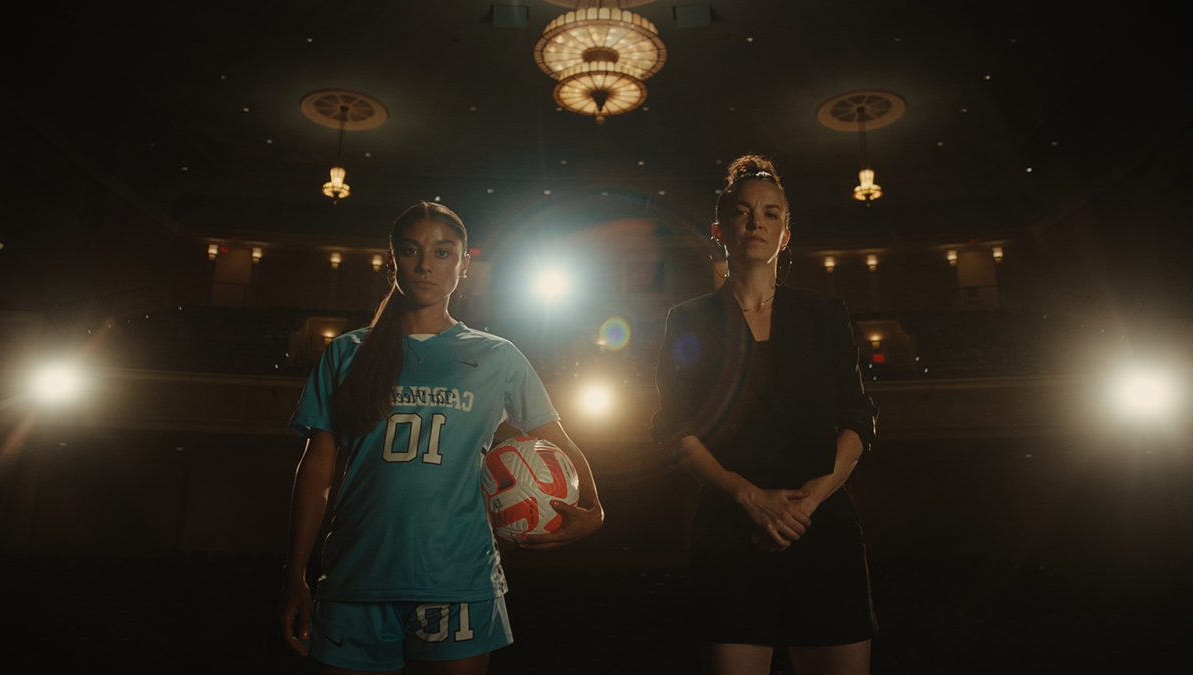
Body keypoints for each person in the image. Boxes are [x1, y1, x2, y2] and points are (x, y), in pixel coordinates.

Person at [278, 201, 604, 675]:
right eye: (410, 251)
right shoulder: (347, 353)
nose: (425, 264)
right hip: (356, 576)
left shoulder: (498, 357)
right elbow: (317, 467)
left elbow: (556, 441)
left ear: (464, 265)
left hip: (458, 579)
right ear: (392, 260)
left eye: (443, 252)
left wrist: (595, 510)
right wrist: (295, 576)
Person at [651, 155, 878, 675]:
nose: (757, 222)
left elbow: (857, 416)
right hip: (731, 531)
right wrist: (748, 497)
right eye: (742, 211)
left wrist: (811, 499)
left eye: (771, 213)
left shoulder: (825, 316)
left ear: (786, 232)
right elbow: (675, 428)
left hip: (821, 526)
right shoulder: (688, 319)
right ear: (720, 229)